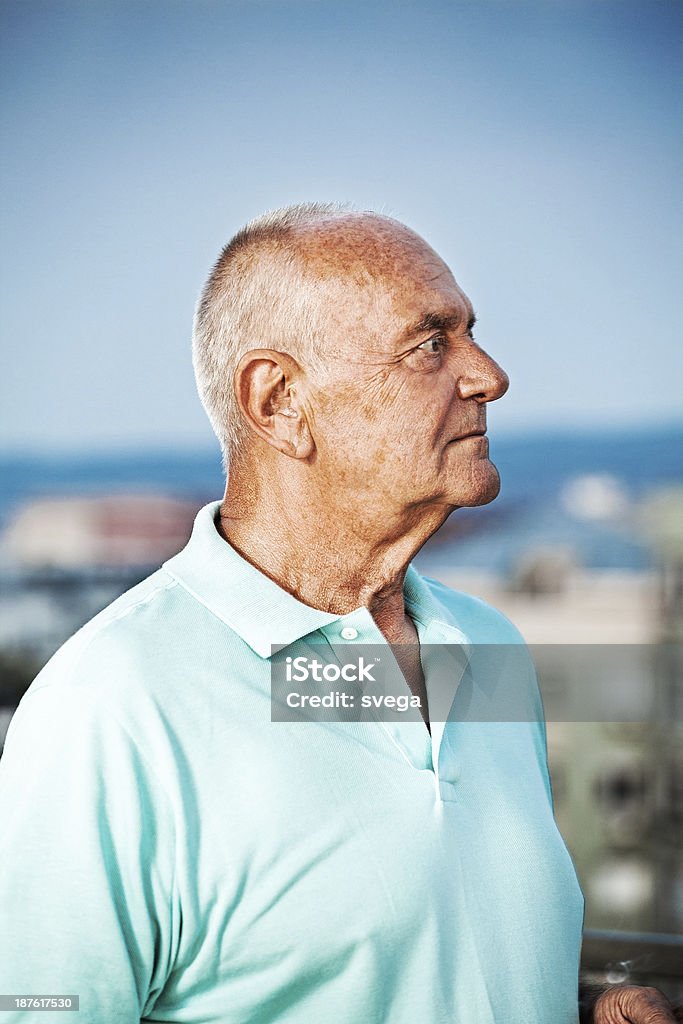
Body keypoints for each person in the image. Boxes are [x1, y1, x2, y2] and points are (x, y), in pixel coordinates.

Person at [0, 204, 676, 1024]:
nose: (488, 375)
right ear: (279, 400)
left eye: (470, 333)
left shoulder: (483, 648)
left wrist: (578, 1005)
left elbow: (416, 949)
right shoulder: (110, 704)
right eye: (431, 343)